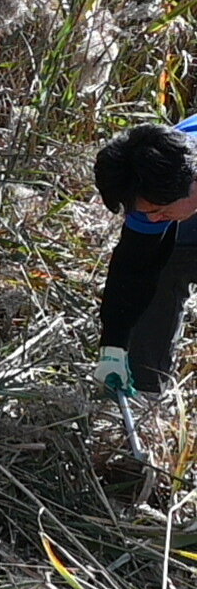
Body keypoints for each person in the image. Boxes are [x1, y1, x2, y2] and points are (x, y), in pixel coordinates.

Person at [92, 119, 197, 400]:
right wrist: (113, 345)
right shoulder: (152, 180)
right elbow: (133, 267)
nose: (152, 218)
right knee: (163, 264)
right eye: (144, 211)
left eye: (159, 211)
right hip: (186, 207)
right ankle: (146, 390)